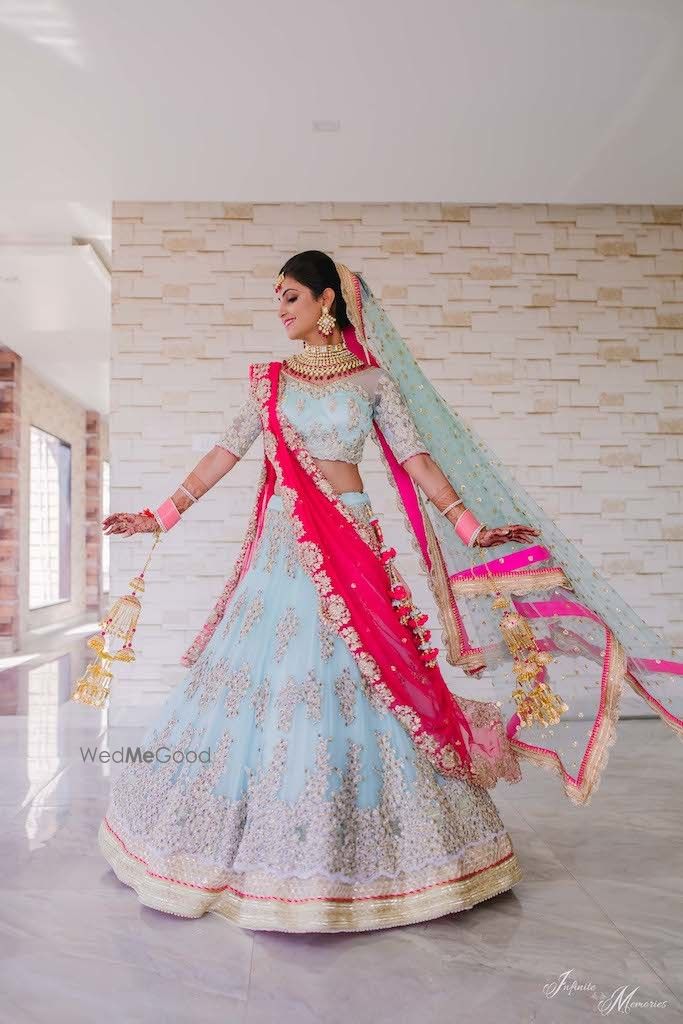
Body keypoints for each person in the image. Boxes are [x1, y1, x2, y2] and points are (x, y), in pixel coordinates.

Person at [98, 251, 682, 933]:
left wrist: (472, 525)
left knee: (370, 677)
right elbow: (223, 453)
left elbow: (416, 459)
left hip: (350, 541)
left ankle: (404, 864)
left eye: (290, 297)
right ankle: (256, 854)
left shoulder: (372, 382)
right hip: (286, 551)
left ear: (326, 303)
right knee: (278, 681)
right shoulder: (269, 383)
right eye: (276, 300)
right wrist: (157, 516)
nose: (279, 311)